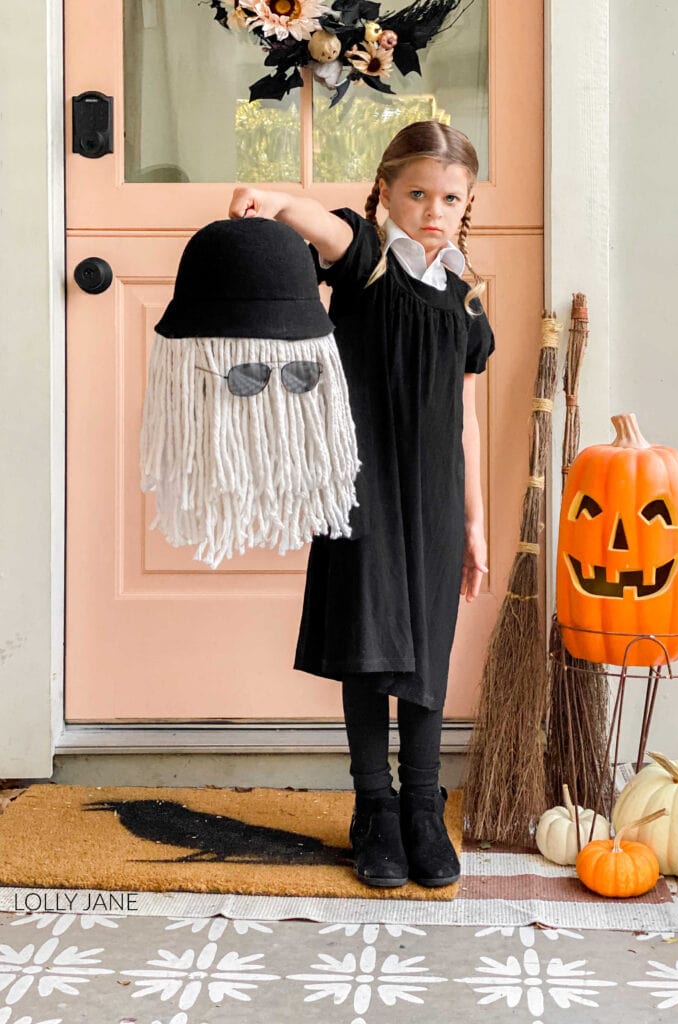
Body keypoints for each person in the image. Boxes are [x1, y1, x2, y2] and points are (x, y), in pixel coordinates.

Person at [229, 120, 495, 889]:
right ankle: (373, 806)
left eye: (450, 197)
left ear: (467, 202)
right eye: (416, 193)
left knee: (425, 650)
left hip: (438, 500)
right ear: (385, 194)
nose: (433, 209)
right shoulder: (368, 264)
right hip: (364, 488)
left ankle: (421, 803)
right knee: (371, 643)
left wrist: (475, 521)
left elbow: (467, 420)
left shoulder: (470, 300)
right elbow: (321, 226)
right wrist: (276, 201)